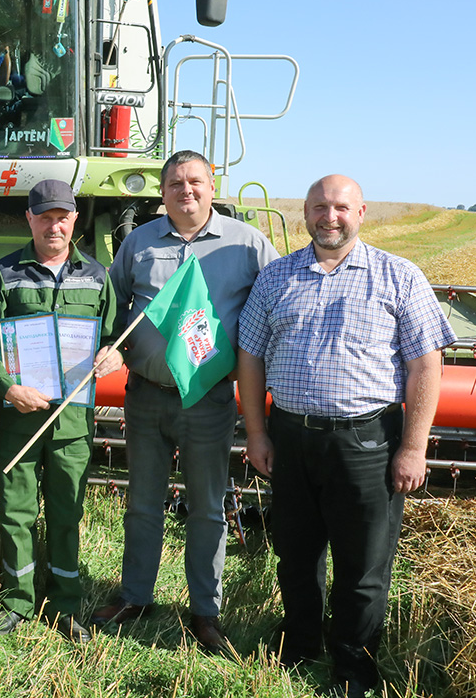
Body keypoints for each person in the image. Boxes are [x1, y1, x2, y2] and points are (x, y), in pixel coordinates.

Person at [237, 175, 454, 697]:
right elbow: (250, 356)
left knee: (363, 564)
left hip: (367, 442)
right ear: (305, 213)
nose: (328, 216)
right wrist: (257, 432)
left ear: (361, 212)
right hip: (291, 437)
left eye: (339, 207)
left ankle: (354, 665)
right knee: (295, 553)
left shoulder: (398, 276)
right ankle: (299, 644)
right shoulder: (276, 277)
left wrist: (413, 447)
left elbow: (426, 366)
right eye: (318, 207)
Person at [95, 150, 278, 653]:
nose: (186, 191)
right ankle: (135, 597)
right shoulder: (139, 242)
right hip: (146, 396)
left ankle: (205, 613)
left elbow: (277, 305)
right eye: (175, 183)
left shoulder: (247, 244)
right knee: (142, 503)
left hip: (209, 398)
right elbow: (113, 306)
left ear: (212, 186)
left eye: (195, 181)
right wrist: (109, 346)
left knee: (207, 508)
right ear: (162, 192)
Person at [0, 179, 122, 644]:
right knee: (16, 514)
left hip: (72, 423)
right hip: (21, 416)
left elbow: (113, 337)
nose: (54, 226)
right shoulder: (3, 274)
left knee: (66, 515)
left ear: (75, 220)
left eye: (62, 217)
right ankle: (17, 602)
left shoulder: (97, 277)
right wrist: (7, 389)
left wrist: (113, 356)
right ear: (29, 219)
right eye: (45, 217)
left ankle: (65, 604)